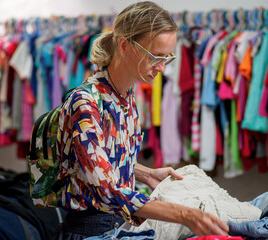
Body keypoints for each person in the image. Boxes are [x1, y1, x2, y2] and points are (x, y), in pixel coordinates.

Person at [52, 1, 229, 239]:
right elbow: (105, 188)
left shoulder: (125, 95)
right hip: (91, 231)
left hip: (120, 225)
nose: (162, 67)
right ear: (125, 45)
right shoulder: (85, 103)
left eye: (167, 57)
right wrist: (184, 215)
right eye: (155, 56)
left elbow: (95, 159)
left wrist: (144, 173)